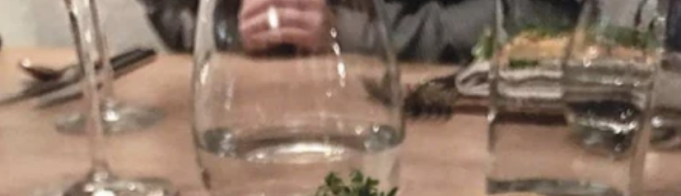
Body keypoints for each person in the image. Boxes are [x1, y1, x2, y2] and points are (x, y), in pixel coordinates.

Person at [139, 0, 501, 63]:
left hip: (441, 127)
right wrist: (226, 27)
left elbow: (532, 15)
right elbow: (173, 11)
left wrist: (362, 34)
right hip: (247, 114)